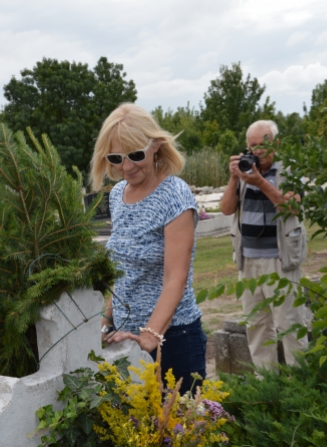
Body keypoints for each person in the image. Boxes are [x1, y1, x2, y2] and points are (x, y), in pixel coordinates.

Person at [92, 103, 206, 395]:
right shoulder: (118, 195)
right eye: (116, 158)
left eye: (136, 155)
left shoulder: (174, 195)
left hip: (173, 339)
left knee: (177, 435)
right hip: (126, 339)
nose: (126, 167)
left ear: (155, 146)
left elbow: (176, 278)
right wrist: (106, 319)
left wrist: (151, 335)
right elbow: (124, 272)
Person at [220, 120, 308, 369]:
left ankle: (300, 385)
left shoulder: (290, 172)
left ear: (276, 144)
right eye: (252, 146)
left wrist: (260, 182)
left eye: (263, 145)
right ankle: (266, 384)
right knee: (257, 325)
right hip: (248, 260)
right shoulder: (244, 172)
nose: (257, 151)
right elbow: (227, 209)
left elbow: (290, 207)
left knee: (290, 324)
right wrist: (233, 178)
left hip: (280, 260)